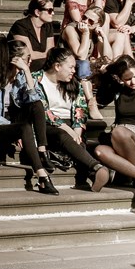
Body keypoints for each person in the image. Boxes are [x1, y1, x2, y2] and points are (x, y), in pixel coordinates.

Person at [0, 37, 57, 195]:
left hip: (13, 125)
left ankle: (42, 152)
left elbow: (35, 100)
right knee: (24, 127)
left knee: (36, 105)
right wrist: (12, 128)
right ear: (15, 60)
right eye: (27, 58)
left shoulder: (21, 78)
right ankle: (42, 176)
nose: (29, 61)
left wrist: (27, 72)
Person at [32, 47, 110, 192]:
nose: (74, 71)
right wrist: (68, 130)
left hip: (72, 125)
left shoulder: (73, 83)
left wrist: (77, 131)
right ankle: (95, 168)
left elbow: (80, 109)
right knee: (63, 135)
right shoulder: (36, 79)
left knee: (78, 140)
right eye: (71, 67)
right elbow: (42, 110)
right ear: (57, 66)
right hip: (47, 126)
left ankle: (95, 172)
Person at [94, 56, 135, 189]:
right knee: (99, 151)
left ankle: (125, 174)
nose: (133, 81)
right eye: (127, 79)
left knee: (119, 131)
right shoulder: (118, 90)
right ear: (120, 78)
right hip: (118, 141)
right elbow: (101, 100)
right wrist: (106, 77)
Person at [8, 0, 57, 71]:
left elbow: (50, 51)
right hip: (21, 65)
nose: (53, 13)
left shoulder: (48, 26)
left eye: (53, 10)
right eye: (49, 10)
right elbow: (27, 54)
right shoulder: (21, 25)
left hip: (41, 63)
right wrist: (46, 55)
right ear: (37, 12)